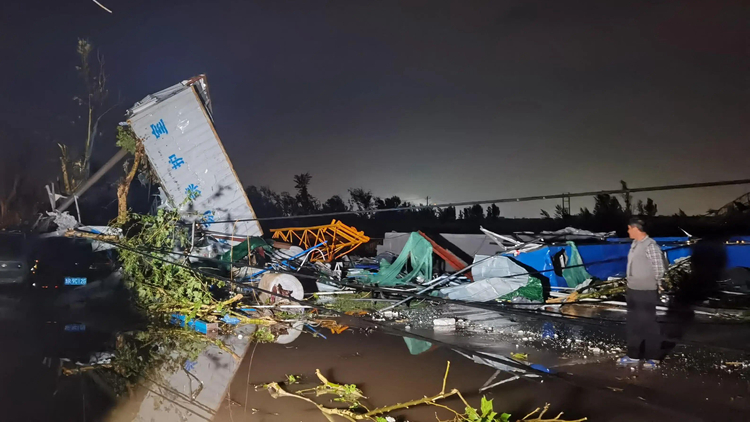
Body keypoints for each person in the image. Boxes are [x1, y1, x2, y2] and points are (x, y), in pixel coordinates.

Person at [618, 217, 667, 368]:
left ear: (635, 228)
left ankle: (654, 357)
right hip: (633, 289)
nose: (627, 231)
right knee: (633, 323)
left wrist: (658, 284)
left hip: (646, 290)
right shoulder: (635, 244)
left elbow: (659, 268)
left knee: (648, 323)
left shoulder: (650, 246)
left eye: (629, 228)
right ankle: (633, 355)